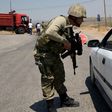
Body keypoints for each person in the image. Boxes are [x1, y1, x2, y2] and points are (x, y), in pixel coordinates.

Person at [34, 4, 86, 112]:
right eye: (81, 18)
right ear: (75, 17)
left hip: (53, 54)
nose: (82, 21)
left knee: (59, 77)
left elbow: (65, 42)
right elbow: (49, 32)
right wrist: (65, 42)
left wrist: (70, 50)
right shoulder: (61, 20)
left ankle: (64, 99)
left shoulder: (68, 26)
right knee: (48, 79)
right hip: (44, 54)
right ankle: (50, 106)